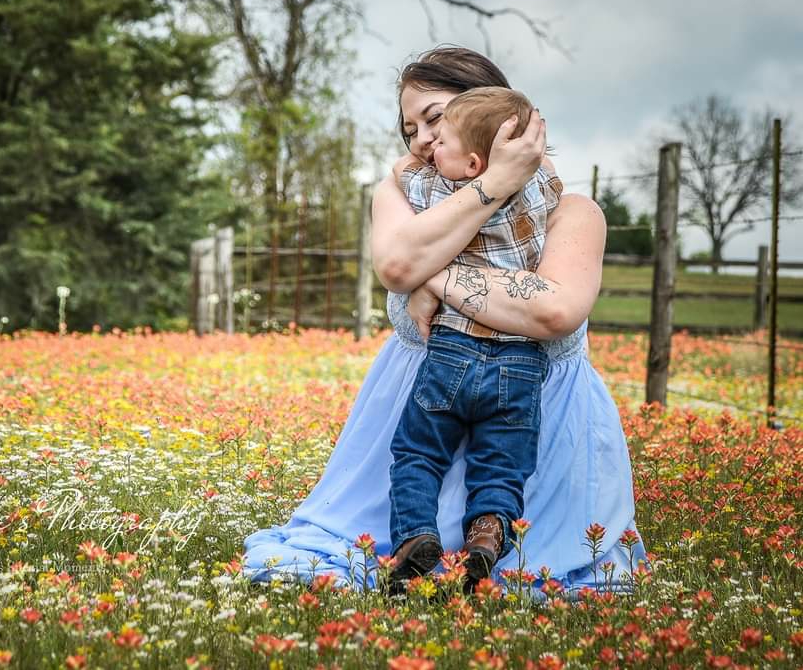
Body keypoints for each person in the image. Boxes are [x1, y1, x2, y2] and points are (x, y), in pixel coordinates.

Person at [241, 46, 646, 595]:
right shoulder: (402, 195)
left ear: (496, 114)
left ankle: (491, 537)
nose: (420, 140)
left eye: (435, 118)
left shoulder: (571, 210)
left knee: (536, 566)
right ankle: (417, 539)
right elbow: (396, 266)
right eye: (410, 129)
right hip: (419, 413)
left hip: (542, 430)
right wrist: (490, 186)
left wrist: (431, 274)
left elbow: (552, 309)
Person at [384, 87, 562, 594]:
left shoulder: (438, 191)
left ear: (472, 164)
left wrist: (426, 165)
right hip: (521, 360)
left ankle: (415, 536)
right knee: (503, 467)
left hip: (452, 352)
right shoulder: (538, 190)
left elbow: (402, 174)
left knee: (418, 452)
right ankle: (487, 534)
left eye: (441, 138)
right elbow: (551, 179)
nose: (428, 146)